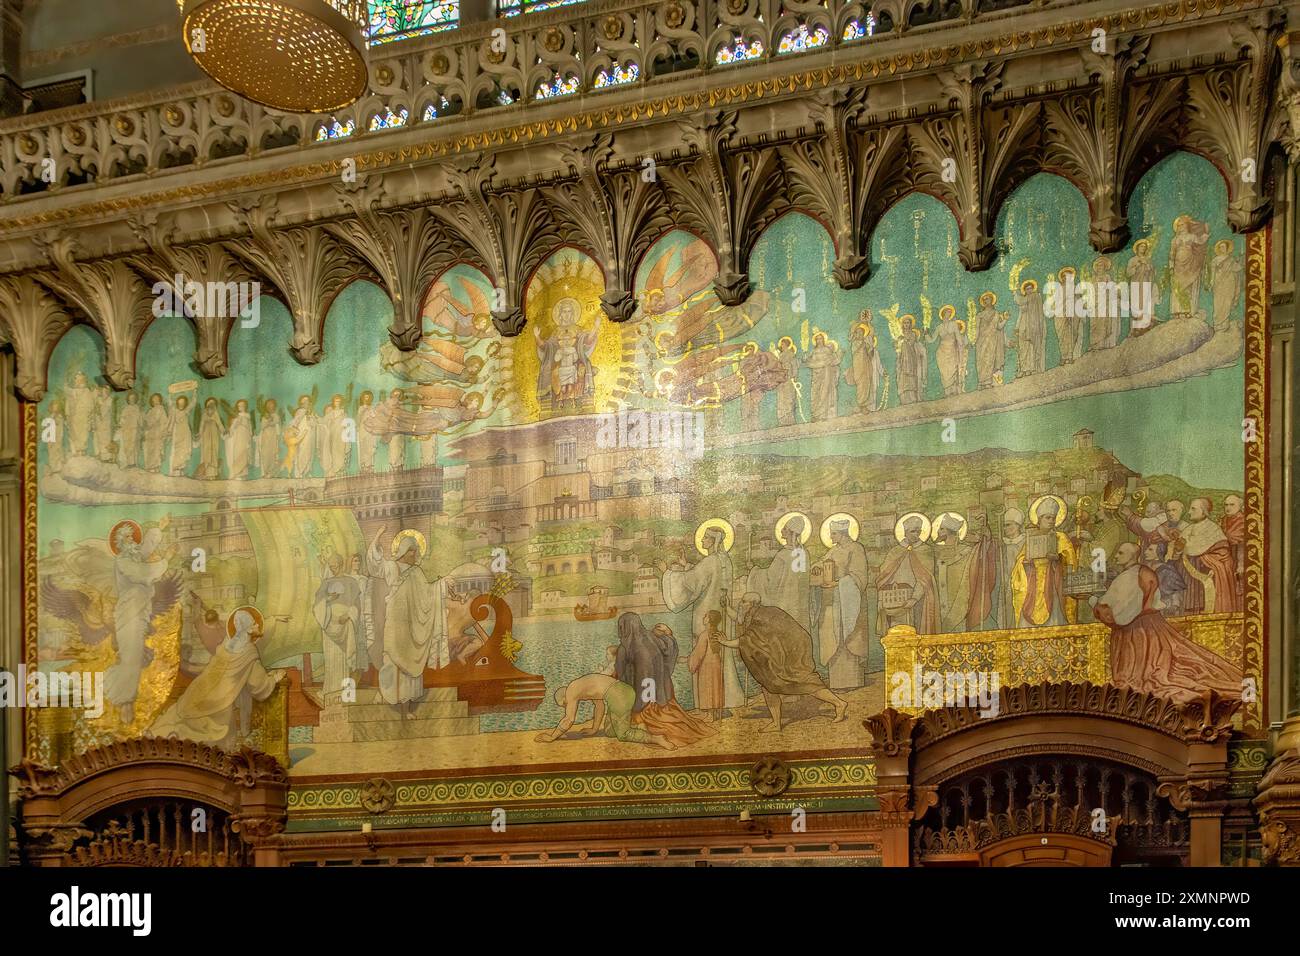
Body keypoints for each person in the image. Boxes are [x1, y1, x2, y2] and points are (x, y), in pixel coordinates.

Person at [1090, 543, 1240, 704]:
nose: (1116, 556)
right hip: (1151, 626)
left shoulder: (1129, 577)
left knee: (1142, 675)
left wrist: (1094, 603)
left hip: (1136, 631)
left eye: (1120, 552)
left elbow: (1115, 614)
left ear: (1132, 556)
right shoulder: (1145, 572)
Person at [149, 608, 285, 749]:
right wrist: (273, 678)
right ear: (248, 629)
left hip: (199, 690)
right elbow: (257, 684)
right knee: (213, 740)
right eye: (253, 624)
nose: (257, 626)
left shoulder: (226, 644)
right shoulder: (249, 651)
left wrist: (273, 618)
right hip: (219, 702)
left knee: (179, 721)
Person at [720, 593, 848, 732]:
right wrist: (727, 607)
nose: (740, 604)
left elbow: (748, 640)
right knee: (768, 684)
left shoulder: (761, 617)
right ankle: (776, 723)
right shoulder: (758, 613)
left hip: (792, 653)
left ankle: (839, 703)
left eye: (744, 602)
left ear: (752, 605)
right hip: (784, 651)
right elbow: (741, 619)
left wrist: (724, 642)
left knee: (805, 682)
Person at [365, 526, 450, 717]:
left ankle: (408, 707)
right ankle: (386, 695)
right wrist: (378, 535)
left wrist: (441, 585)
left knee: (411, 665)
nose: (416, 554)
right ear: (405, 551)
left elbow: (428, 594)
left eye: (417, 551)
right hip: (395, 623)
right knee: (392, 661)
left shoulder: (417, 572)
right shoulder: (391, 567)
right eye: (413, 551)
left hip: (412, 625)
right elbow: (374, 564)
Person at [662, 524, 746, 711]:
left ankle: (707, 705)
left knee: (705, 659)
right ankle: (726, 700)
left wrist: (669, 574)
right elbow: (706, 577)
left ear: (714, 540)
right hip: (722, 618)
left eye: (706, 538)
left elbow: (692, 582)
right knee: (721, 659)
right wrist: (688, 566)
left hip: (706, 615)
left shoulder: (709, 562)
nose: (702, 541)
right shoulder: (725, 560)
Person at [535, 658, 674, 749]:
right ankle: (639, 725)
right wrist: (594, 729)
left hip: (619, 696)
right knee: (609, 731)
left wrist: (552, 737)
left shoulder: (571, 691)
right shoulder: (582, 686)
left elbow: (569, 719)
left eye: (564, 705)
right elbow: (599, 706)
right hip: (623, 691)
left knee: (623, 734)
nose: (567, 706)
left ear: (564, 698)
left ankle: (657, 739)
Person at [1011, 496, 1076, 627]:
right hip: (1032, 584)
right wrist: (1026, 562)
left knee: (1055, 618)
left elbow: (1071, 560)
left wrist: (1058, 558)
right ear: (1040, 519)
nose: (1051, 521)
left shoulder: (1061, 538)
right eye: (1048, 517)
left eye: (1053, 518)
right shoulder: (1031, 538)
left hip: (1052, 582)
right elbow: (1020, 561)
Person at [688, 610, 725, 721]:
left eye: (706, 616)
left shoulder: (704, 635)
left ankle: (710, 715)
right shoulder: (718, 633)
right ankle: (716, 712)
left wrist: (691, 662)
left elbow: (698, 654)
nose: (704, 617)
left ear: (709, 620)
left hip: (707, 665)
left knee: (708, 687)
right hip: (717, 664)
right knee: (716, 686)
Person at [846, 316, 885, 414]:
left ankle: (864, 405)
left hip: (866, 367)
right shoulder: (855, 343)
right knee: (860, 385)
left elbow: (870, 354)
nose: (860, 334)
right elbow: (855, 350)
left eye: (861, 333)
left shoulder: (865, 343)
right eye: (858, 333)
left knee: (866, 384)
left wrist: (870, 347)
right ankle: (861, 404)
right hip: (858, 367)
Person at [973, 292, 1010, 388]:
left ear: (992, 301)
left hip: (992, 340)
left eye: (988, 299)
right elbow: (976, 329)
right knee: (981, 360)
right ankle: (981, 382)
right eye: (984, 299)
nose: (986, 301)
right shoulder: (979, 315)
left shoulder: (996, 314)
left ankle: (988, 382)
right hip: (981, 341)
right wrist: (974, 340)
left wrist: (1005, 319)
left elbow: (999, 327)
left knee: (990, 359)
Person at [802, 332, 841, 421]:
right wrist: (805, 357)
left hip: (826, 374)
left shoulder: (827, 350)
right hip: (816, 375)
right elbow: (807, 361)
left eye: (820, 338)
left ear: (823, 340)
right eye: (817, 339)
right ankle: (816, 415)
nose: (819, 340)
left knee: (824, 393)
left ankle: (823, 415)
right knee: (815, 393)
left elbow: (834, 361)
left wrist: (839, 356)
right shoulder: (813, 351)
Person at [255, 398, 282, 478]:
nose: (270, 406)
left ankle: (271, 472)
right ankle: (265, 472)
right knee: (265, 454)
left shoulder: (276, 415)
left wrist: (269, 421)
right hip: (265, 437)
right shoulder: (264, 416)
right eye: (268, 405)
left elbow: (276, 421)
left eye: (272, 405)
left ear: (274, 406)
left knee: (272, 454)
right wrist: (268, 421)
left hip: (272, 437)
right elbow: (262, 426)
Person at [117, 392, 143, 469]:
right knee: (126, 446)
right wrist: (120, 424)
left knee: (133, 446)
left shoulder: (137, 408)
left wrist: (141, 426)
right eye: (130, 398)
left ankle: (133, 463)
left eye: (133, 398)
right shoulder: (126, 408)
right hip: (126, 430)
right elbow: (122, 418)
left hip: (134, 429)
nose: (132, 400)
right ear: (128, 399)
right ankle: (129, 462)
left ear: (135, 399)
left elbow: (140, 419)